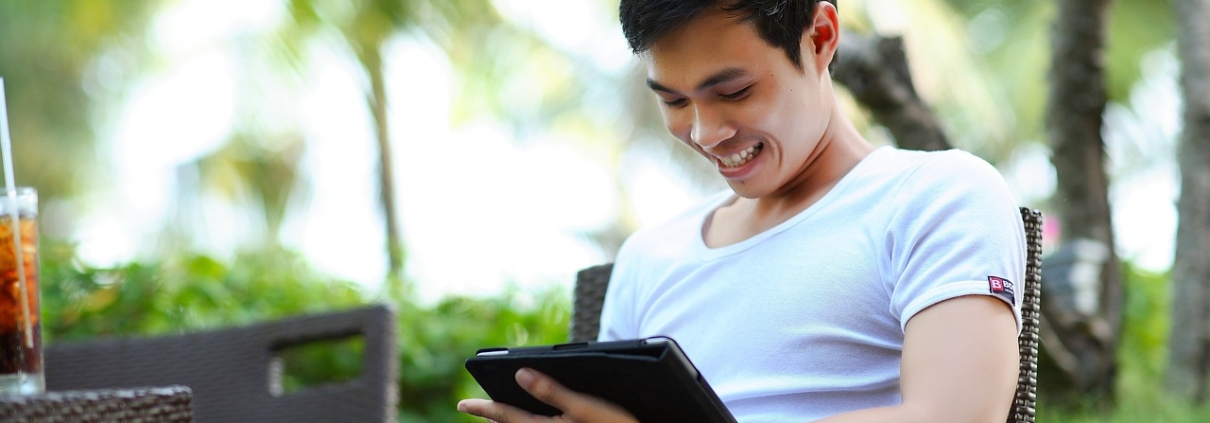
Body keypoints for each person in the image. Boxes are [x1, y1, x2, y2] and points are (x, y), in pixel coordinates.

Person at [458, 0, 1025, 422]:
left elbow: (956, 416)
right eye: (673, 100)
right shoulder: (649, 256)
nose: (705, 132)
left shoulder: (936, 196)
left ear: (821, 38)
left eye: (733, 92)